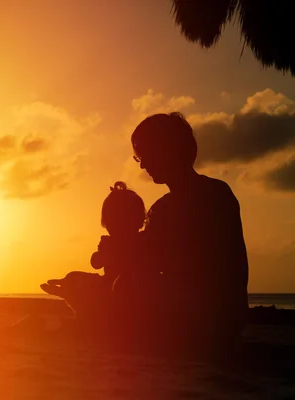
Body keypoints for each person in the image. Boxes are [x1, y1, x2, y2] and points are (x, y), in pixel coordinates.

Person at [101, 112, 249, 355]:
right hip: (221, 317)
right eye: (139, 157)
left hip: (209, 316)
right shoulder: (173, 204)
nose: (143, 164)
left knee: (126, 284)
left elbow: (220, 266)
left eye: (144, 154)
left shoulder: (209, 196)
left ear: (168, 149)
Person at [40, 181, 147, 331]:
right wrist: (101, 254)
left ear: (137, 221)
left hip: (126, 290)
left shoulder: (141, 241)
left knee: (106, 294)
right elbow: (95, 263)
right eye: (110, 225)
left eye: (120, 223)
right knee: (73, 276)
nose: (114, 229)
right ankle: (68, 289)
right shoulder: (107, 241)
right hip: (106, 282)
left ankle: (80, 308)